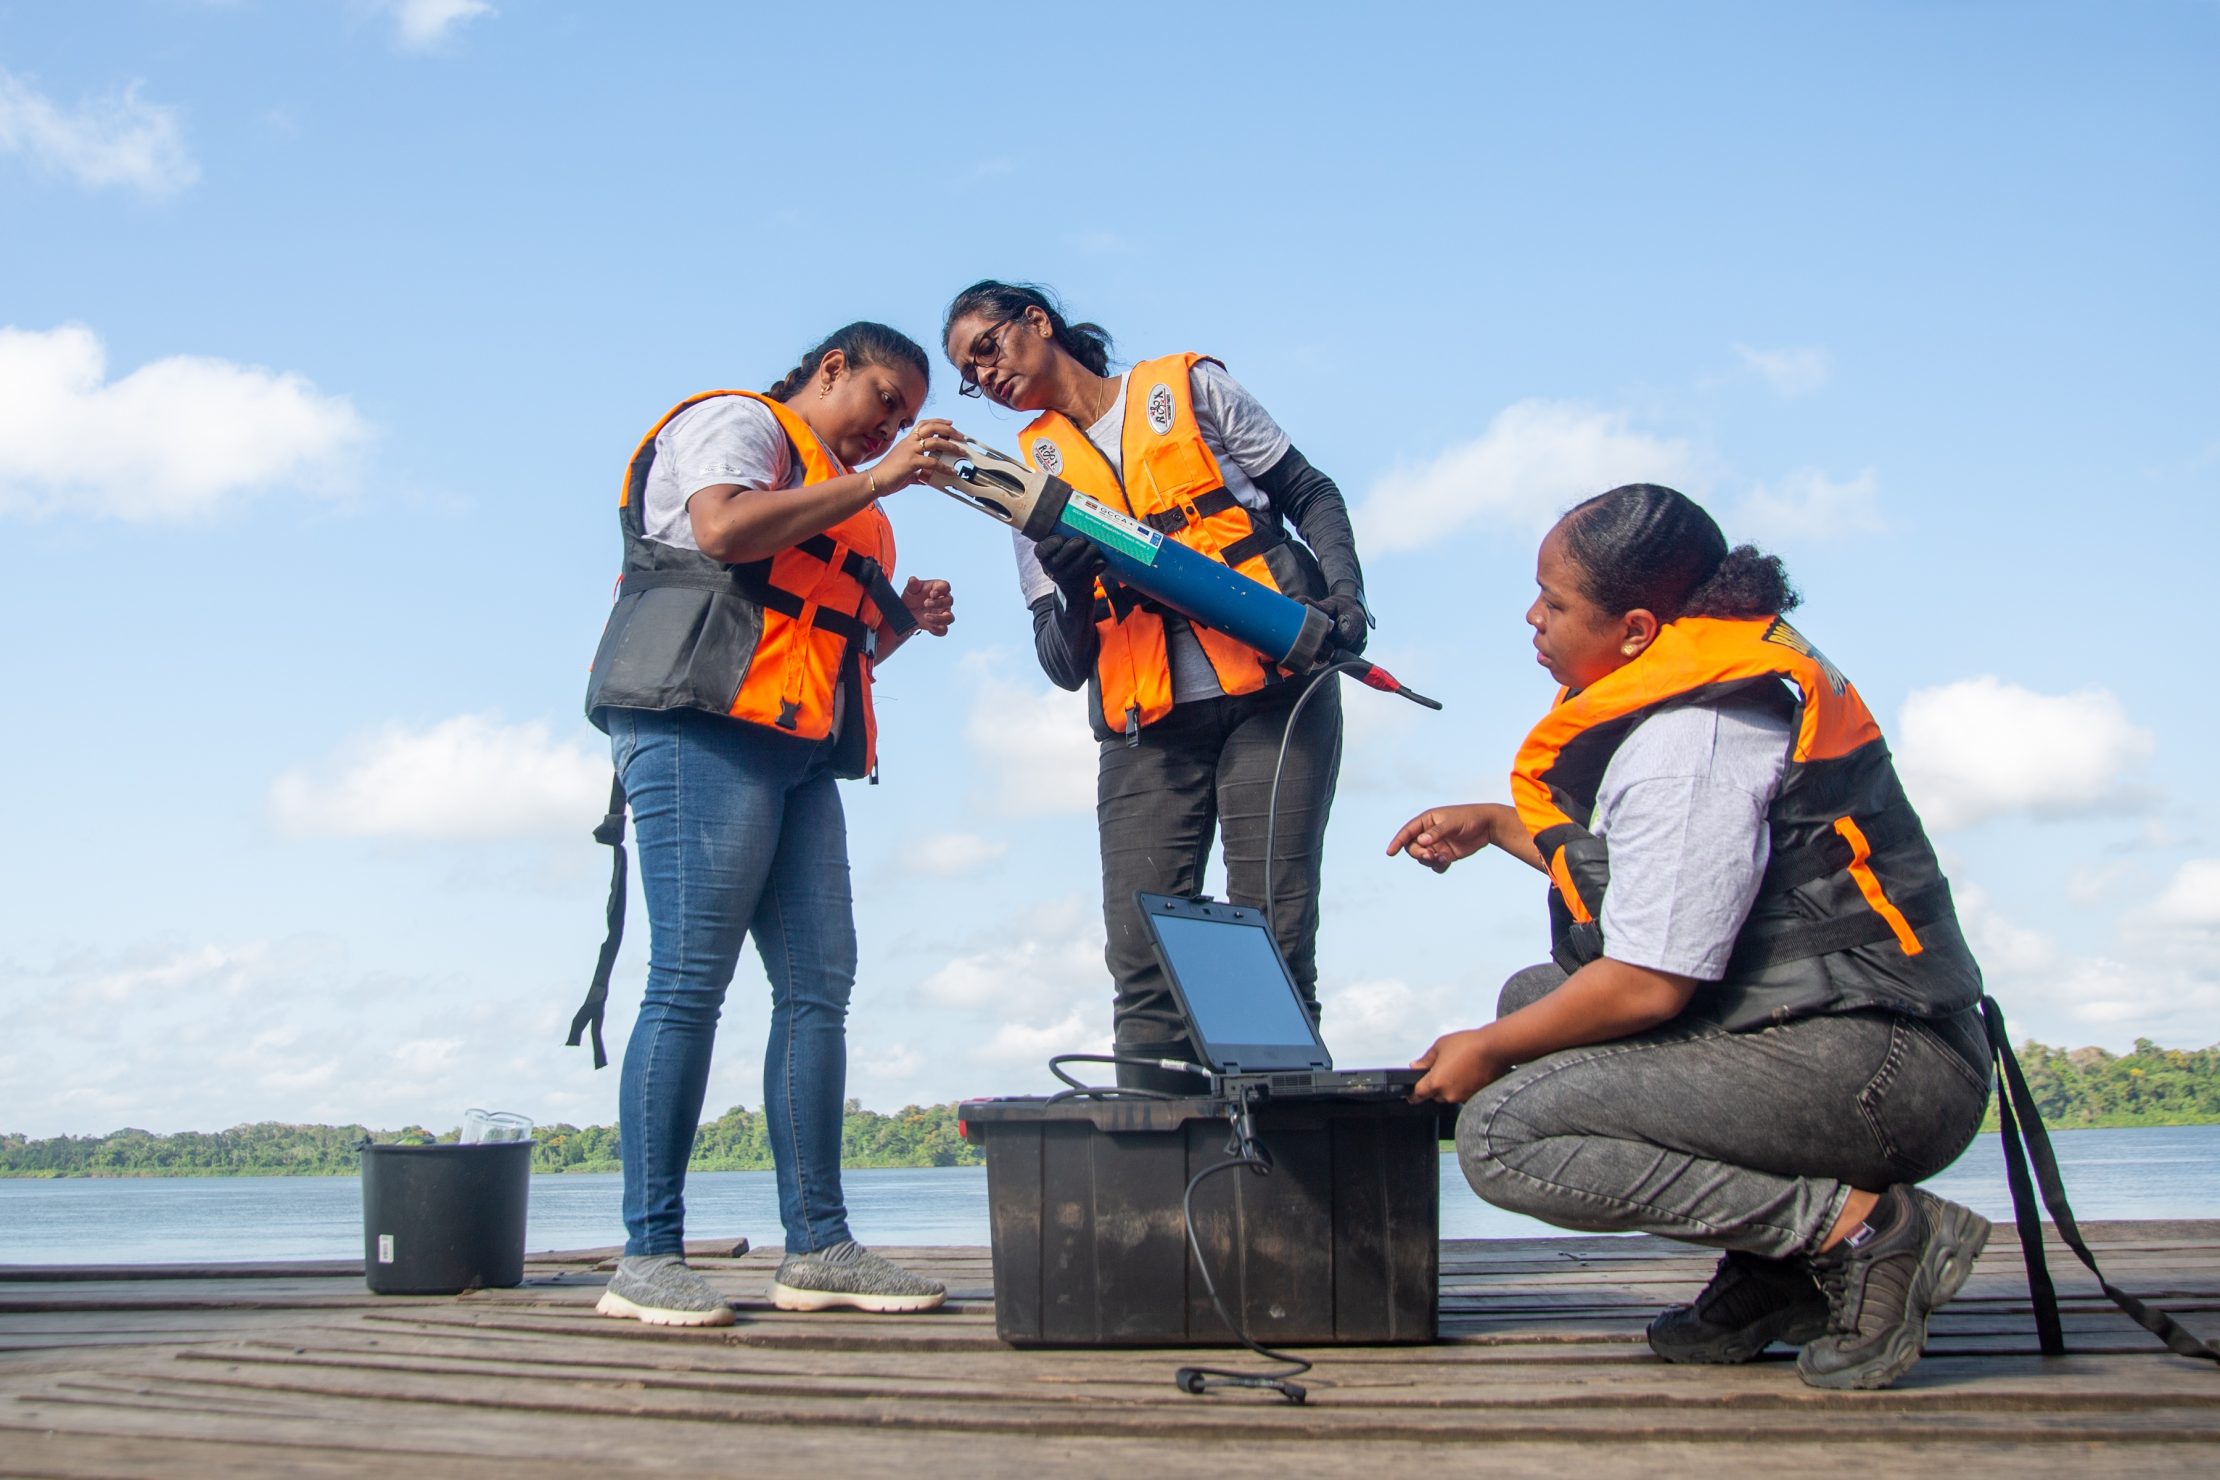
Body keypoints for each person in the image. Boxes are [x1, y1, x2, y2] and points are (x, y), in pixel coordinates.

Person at [1387, 483, 1993, 1391]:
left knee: (1502, 1130)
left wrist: (1486, 1051)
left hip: (1886, 1072)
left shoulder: (1691, 741)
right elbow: (1681, 896)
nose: (1532, 617)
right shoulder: (1707, 705)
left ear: (1635, 630)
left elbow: (1649, 984)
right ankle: (1776, 1268)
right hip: (1855, 1032)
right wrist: (1500, 825)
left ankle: (1862, 1233)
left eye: (1554, 603)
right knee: (1531, 1000)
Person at [577, 322, 960, 1326]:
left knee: (819, 989)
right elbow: (723, 534)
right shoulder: (742, 425)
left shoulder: (844, 492)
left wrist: (903, 619)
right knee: (688, 981)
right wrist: (880, 483)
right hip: (695, 726)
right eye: (887, 399)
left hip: (797, 751)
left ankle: (819, 1245)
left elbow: (830, 646)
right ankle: (647, 1255)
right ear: (833, 367)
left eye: (910, 419)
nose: (893, 428)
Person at [940, 281, 1372, 1091]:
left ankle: (1280, 1166)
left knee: (1275, 931)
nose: (984, 375)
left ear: (1037, 320)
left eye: (987, 347)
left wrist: (1346, 595)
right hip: (1148, 730)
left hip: (1278, 697)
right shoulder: (1025, 480)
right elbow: (1063, 662)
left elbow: (1310, 492)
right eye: (969, 372)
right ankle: (1155, 1175)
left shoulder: (1189, 388)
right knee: (1141, 954)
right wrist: (1070, 592)